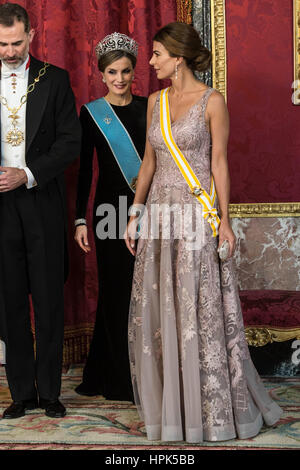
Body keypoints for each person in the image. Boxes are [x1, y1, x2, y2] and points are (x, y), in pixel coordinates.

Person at [125, 22, 282, 442]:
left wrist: (225, 221)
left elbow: (219, 164)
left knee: (199, 310)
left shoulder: (213, 102)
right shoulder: (155, 101)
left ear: (178, 57)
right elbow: (148, 163)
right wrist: (135, 212)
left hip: (196, 216)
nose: (152, 60)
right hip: (160, 217)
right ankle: (173, 410)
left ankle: (211, 410)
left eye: (157, 53)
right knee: (165, 312)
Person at [0, 3, 81, 419]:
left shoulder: (55, 79)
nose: (10, 52)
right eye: (2, 44)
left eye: (16, 43)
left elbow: (70, 143)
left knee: (48, 299)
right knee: (10, 300)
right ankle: (21, 394)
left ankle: (50, 392)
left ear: (30, 35)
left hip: (40, 200)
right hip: (1, 209)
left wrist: (28, 173)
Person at [74, 33, 147, 401]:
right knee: (116, 293)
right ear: (102, 74)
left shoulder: (152, 107)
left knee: (146, 294)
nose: (120, 78)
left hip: (149, 209)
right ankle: (117, 377)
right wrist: (79, 220)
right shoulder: (91, 114)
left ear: (135, 72)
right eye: (112, 72)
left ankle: (142, 373)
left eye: (126, 71)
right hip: (108, 214)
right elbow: (84, 171)